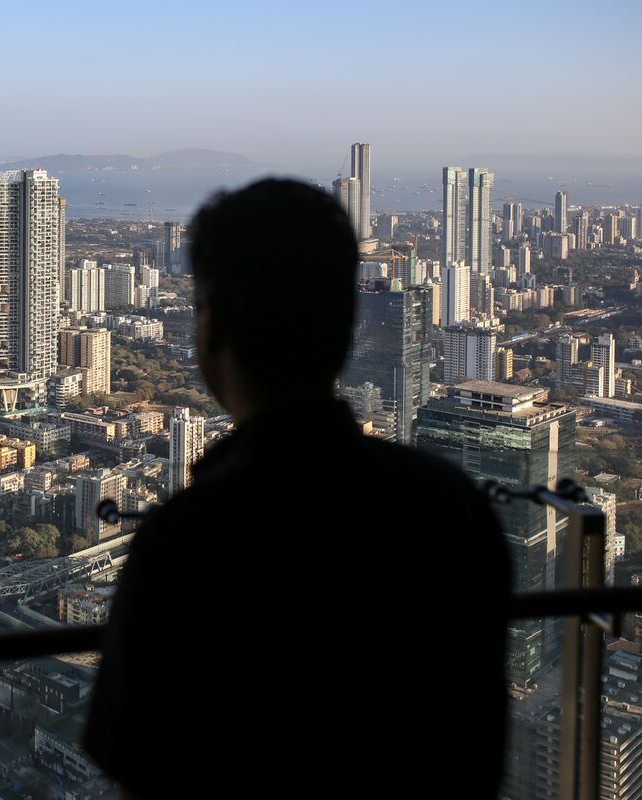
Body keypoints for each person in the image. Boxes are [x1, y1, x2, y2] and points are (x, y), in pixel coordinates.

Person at [83, 179, 510, 797]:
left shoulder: (191, 543)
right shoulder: (451, 511)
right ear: (346, 325)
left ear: (212, 326)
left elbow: (145, 772)